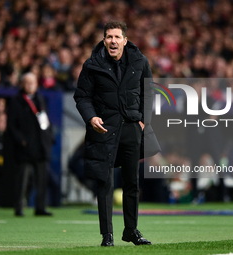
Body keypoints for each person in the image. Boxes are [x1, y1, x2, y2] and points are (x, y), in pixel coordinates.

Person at [74, 21, 160, 246]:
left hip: (132, 127)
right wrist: (91, 117)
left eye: (116, 37)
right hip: (104, 128)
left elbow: (148, 94)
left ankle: (131, 231)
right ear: (104, 40)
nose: (113, 41)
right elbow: (82, 97)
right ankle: (107, 235)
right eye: (109, 37)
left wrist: (144, 120)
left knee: (132, 182)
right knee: (105, 182)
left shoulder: (140, 62)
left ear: (125, 40)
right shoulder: (92, 65)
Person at [7, 72, 53, 216]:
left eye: (32, 82)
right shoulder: (16, 101)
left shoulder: (40, 99)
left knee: (41, 180)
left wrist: (49, 138)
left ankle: (40, 207)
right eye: (27, 82)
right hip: (25, 148)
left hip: (41, 146)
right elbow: (11, 125)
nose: (30, 85)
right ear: (22, 84)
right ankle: (19, 207)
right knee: (22, 180)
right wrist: (21, 141)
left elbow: (45, 122)